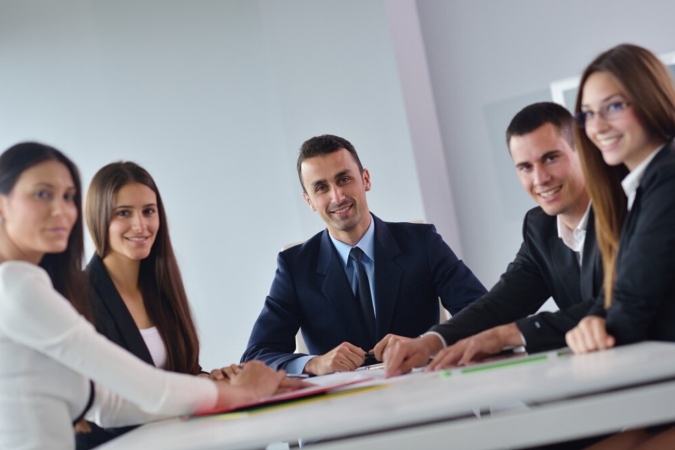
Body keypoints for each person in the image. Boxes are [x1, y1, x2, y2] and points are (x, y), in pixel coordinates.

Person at [0, 142, 301, 450]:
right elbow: (146, 388)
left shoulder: (29, 284)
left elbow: (108, 405)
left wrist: (216, 386)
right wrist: (243, 392)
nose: (61, 210)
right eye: (42, 193)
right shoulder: (16, 287)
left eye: (68, 196)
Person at [379, 102, 602, 377]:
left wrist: (508, 335)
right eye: (525, 167)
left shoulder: (629, 210)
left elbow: (619, 303)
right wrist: (431, 341)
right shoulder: (539, 226)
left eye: (551, 158)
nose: (540, 178)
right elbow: (502, 303)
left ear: (582, 150)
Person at [241, 134, 487, 375]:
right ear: (309, 201)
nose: (337, 196)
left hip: (426, 395)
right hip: (346, 409)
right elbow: (256, 356)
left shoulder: (422, 242)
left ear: (365, 179)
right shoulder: (295, 267)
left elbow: (484, 315)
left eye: (344, 179)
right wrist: (313, 363)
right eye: (321, 187)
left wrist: (427, 342)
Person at [563, 44, 675, 449]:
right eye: (588, 113)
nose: (597, 126)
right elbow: (618, 291)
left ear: (649, 98)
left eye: (613, 107)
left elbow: (633, 299)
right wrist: (592, 322)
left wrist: (600, 331)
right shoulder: (641, 187)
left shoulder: (669, 175)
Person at [76, 162, 205, 448]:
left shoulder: (160, 286)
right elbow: (98, 407)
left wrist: (215, 379)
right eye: (124, 213)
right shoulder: (80, 297)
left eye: (149, 211)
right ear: (98, 218)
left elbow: (182, 373)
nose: (140, 225)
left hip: (172, 439)